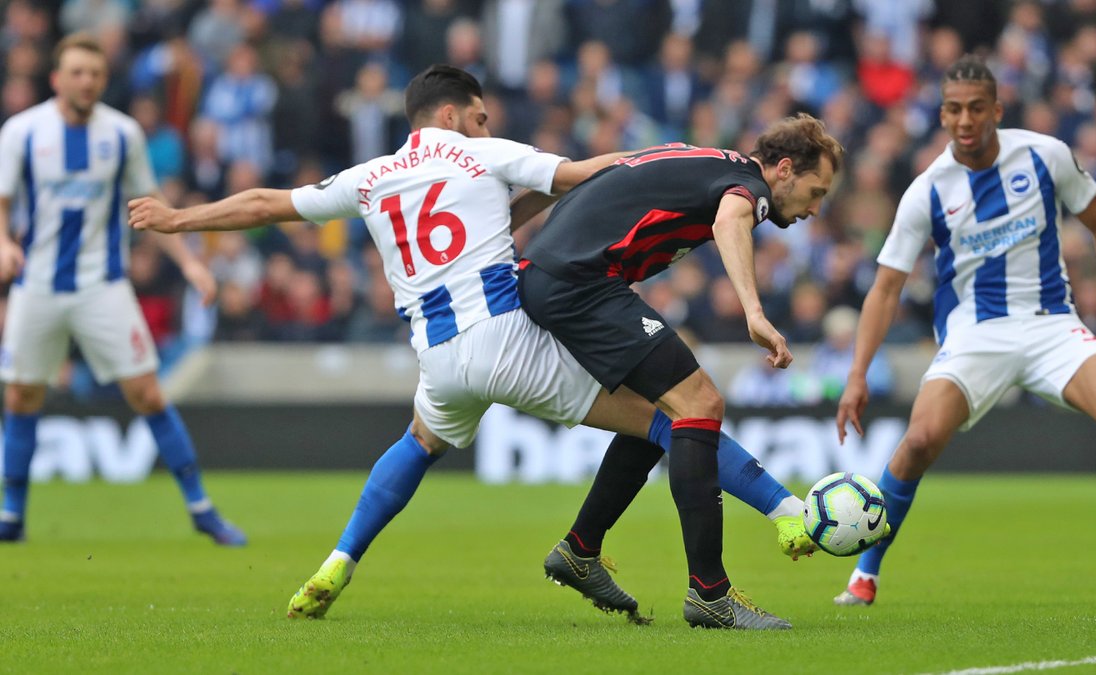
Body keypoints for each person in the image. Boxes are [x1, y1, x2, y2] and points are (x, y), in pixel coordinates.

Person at [128, 65, 820, 629]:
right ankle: (772, 527)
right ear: (454, 114)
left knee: (419, 443)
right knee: (676, 417)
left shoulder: (368, 178)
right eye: (482, 115)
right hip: (508, 336)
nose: (489, 125)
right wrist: (649, 159)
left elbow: (264, 204)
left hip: (437, 353)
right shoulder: (482, 153)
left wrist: (175, 219)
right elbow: (591, 175)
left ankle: (340, 558)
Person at [833, 55, 1096, 608]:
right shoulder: (927, 190)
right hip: (974, 336)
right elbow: (885, 289)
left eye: (976, 108)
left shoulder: (1046, 155)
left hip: (1051, 323)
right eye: (954, 109)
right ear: (941, 115)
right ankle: (865, 574)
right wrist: (857, 373)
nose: (965, 120)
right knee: (919, 441)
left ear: (996, 110)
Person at [518, 116, 843, 628]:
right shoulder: (747, 186)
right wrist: (754, 312)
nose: (815, 208)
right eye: (815, 191)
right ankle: (710, 595)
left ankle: (580, 549)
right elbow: (729, 220)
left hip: (559, 276)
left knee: (664, 414)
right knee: (701, 403)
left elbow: (609, 172)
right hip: (579, 281)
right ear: (784, 170)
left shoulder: (710, 163)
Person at [0, 33, 245, 546]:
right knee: (22, 395)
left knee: (148, 393)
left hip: (101, 286)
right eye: (77, 72)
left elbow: (150, 203)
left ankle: (201, 508)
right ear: (57, 79)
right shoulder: (22, 132)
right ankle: (12, 515)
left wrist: (192, 264)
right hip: (37, 286)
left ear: (102, 80)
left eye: (95, 73)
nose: (86, 81)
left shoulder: (122, 134)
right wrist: (3, 243)